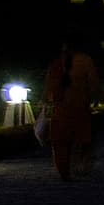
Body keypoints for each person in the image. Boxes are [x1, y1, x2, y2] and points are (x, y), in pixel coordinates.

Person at [42, 31, 100, 182]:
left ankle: (64, 172)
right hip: (80, 106)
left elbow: (49, 87)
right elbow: (93, 84)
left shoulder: (56, 62)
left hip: (60, 108)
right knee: (81, 139)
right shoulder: (85, 61)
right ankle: (79, 167)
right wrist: (95, 98)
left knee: (60, 143)